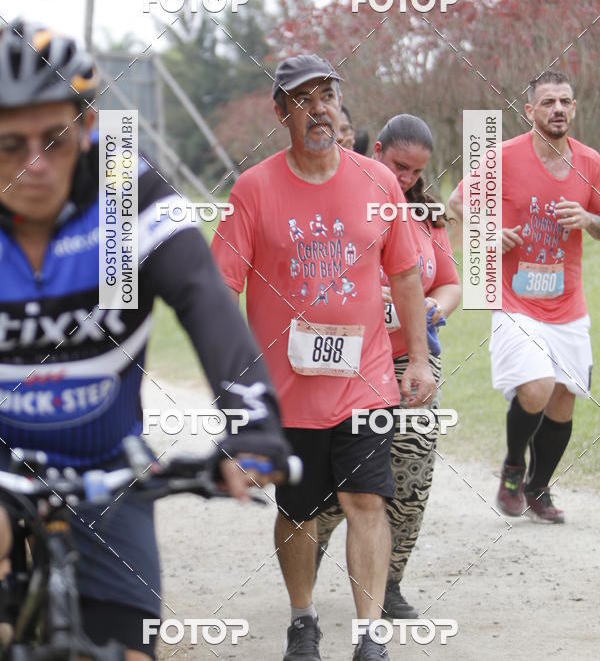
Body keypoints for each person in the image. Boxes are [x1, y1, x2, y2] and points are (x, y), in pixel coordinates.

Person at [0, 21, 291, 660]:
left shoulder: (122, 188)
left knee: (130, 652)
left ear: (86, 126)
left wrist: (253, 420)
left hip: (108, 460)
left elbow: (203, 297)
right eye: (9, 145)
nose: (34, 165)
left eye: (53, 139)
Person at [211, 55, 435, 661]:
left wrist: (417, 358)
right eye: (303, 99)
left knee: (368, 501)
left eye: (328, 95)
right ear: (281, 112)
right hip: (287, 391)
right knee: (300, 510)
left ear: (341, 105)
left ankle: (368, 635)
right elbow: (215, 289)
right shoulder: (253, 189)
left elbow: (407, 274)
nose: (319, 109)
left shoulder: (379, 181)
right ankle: (302, 619)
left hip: (363, 384)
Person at [316, 114, 461, 618]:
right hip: (347, 358)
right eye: (399, 166)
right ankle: (307, 550)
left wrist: (429, 309)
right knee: (345, 480)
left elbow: (448, 281)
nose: (406, 179)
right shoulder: (337, 197)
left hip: (410, 359)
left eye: (416, 172)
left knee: (412, 476)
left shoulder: (425, 212)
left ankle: (390, 582)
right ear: (375, 149)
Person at [448, 71, 600, 522]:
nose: (557, 109)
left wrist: (589, 218)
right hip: (515, 300)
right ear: (529, 111)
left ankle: (538, 488)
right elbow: (457, 205)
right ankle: (514, 466)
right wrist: (490, 233)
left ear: (574, 110)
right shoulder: (502, 157)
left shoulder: (589, 162)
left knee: (564, 398)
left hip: (568, 302)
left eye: (565, 102)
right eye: (548, 101)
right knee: (536, 387)